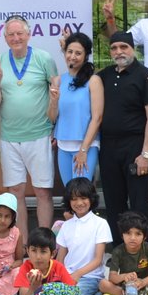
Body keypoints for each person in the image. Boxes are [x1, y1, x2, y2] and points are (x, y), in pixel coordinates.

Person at [0, 15, 58, 240]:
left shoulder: (44, 58)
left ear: (28, 34)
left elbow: (56, 95)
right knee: (16, 193)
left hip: (39, 135)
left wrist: (55, 124)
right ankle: (23, 245)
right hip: (9, 138)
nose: (16, 38)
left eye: (20, 33)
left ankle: (44, 244)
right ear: (4, 37)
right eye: (11, 34)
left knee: (42, 192)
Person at [96, 32, 148, 242]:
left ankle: (141, 253)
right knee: (114, 202)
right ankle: (119, 252)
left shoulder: (144, 75)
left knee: (139, 204)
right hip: (109, 147)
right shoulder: (104, 76)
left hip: (136, 147)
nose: (118, 52)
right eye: (114, 48)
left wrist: (146, 154)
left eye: (123, 47)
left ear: (133, 49)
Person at [48, 31, 103, 184]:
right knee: (70, 193)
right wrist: (54, 101)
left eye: (78, 53)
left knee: (81, 193)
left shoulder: (93, 80)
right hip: (63, 145)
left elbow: (97, 118)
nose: (72, 56)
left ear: (86, 56)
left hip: (86, 146)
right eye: (69, 51)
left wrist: (83, 150)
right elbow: (52, 118)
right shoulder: (58, 80)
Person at [54, 177, 112, 295]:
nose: (79, 203)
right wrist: (60, 277)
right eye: (74, 199)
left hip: (90, 278)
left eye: (83, 198)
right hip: (67, 277)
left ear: (91, 199)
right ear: (68, 201)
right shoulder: (66, 226)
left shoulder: (100, 224)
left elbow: (97, 260)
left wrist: (77, 274)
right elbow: (60, 259)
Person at [98, 212, 148, 295]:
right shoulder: (117, 251)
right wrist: (124, 276)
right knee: (103, 284)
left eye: (138, 234)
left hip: (144, 286)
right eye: (128, 233)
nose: (132, 238)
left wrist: (142, 282)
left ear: (144, 236)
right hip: (125, 287)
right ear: (122, 235)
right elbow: (112, 277)